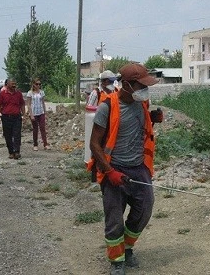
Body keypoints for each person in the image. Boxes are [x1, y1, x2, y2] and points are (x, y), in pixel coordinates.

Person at [88, 63, 163, 275]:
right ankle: (117, 260)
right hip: (114, 168)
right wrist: (109, 171)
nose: (145, 89)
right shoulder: (107, 107)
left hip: (139, 167)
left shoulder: (142, 103)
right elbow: (94, 144)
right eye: (141, 85)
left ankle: (127, 247)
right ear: (128, 85)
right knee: (114, 218)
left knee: (145, 208)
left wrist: (153, 119)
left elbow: (137, 129)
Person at [0, 78, 26, 159]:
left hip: (17, 117)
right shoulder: (2, 94)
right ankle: (11, 152)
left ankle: (17, 151)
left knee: (17, 135)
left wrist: (24, 115)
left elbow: (22, 104)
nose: (14, 85)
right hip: (6, 117)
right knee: (7, 135)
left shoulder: (18, 94)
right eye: (12, 84)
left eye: (15, 83)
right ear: (7, 84)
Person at [26, 78, 50, 151]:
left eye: (39, 84)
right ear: (33, 84)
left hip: (41, 112)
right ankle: (35, 144)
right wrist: (31, 114)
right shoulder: (30, 93)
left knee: (42, 128)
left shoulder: (41, 92)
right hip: (34, 113)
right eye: (37, 84)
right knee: (35, 129)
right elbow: (29, 104)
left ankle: (45, 144)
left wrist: (45, 112)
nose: (38, 85)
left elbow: (43, 103)